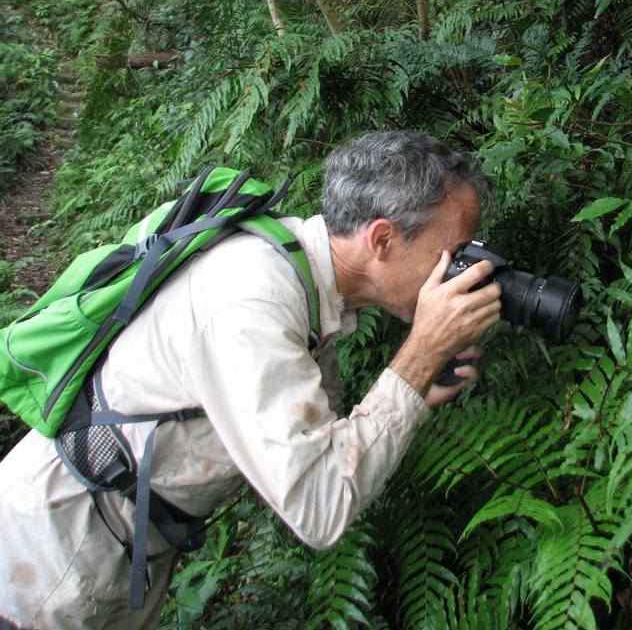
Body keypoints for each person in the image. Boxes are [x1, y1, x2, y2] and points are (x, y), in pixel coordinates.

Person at [0, 131, 502, 630]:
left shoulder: (294, 273)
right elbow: (318, 505)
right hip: (47, 563)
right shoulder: (253, 300)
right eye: (456, 252)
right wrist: (415, 362)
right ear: (383, 239)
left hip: (112, 550)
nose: (467, 271)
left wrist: (417, 384)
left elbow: (314, 451)